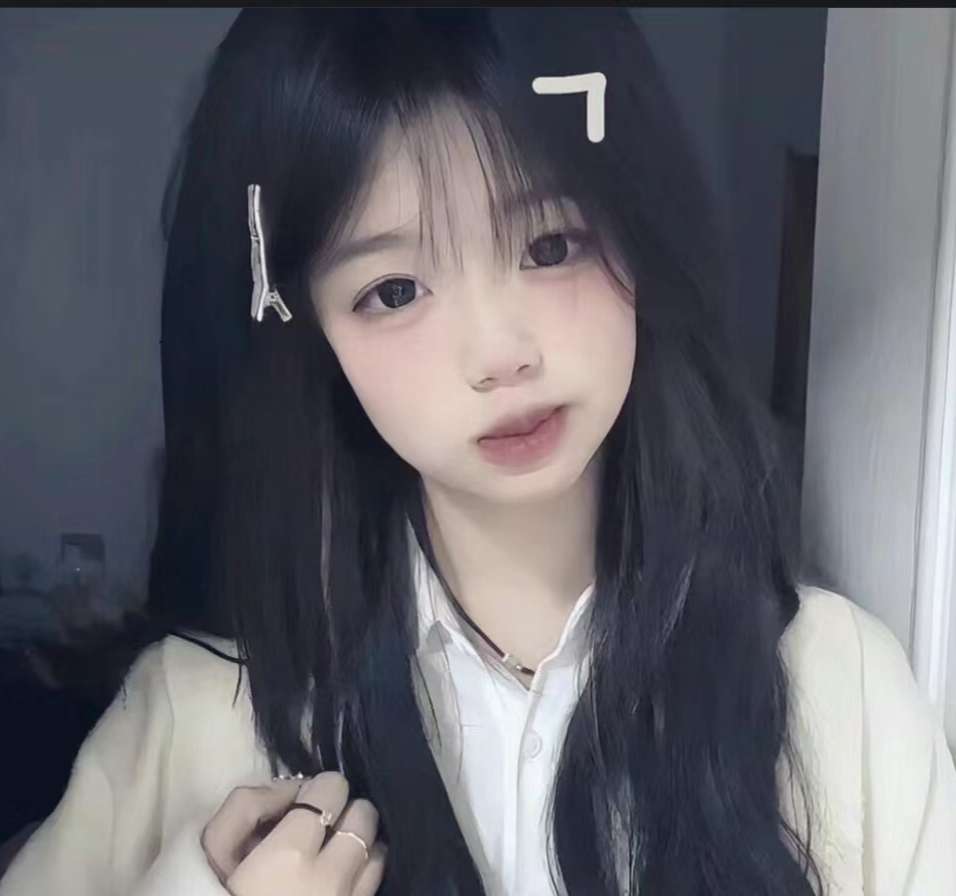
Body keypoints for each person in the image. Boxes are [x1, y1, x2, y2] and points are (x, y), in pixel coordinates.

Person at [2, 7, 954, 895]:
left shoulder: (838, 690)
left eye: (551, 245)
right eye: (394, 291)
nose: (499, 353)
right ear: (316, 336)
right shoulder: (198, 719)